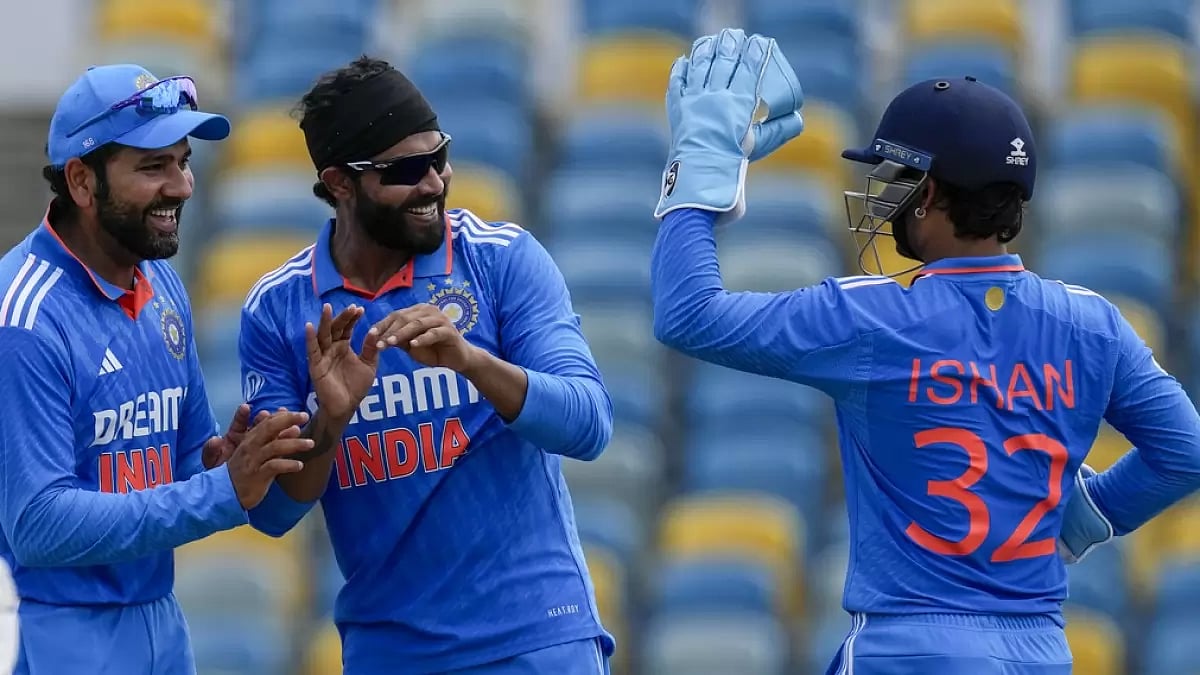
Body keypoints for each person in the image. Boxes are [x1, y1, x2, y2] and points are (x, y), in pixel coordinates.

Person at [650, 29, 1200, 674]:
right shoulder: (1094, 323)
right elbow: (1184, 452)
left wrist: (699, 171)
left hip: (908, 652)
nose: (883, 195)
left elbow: (688, 314)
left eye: (894, 176)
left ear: (931, 194)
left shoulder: (870, 316)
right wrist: (1083, 518)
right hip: (1041, 654)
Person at [238, 56, 616, 674]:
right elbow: (276, 514)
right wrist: (329, 423)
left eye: (439, 158)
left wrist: (471, 362)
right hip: (391, 653)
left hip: (535, 638)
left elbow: (589, 425)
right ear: (339, 183)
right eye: (407, 171)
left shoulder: (501, 261)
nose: (435, 183)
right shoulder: (278, 309)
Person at [0, 64, 315, 674]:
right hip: (55, 633)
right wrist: (218, 492)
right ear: (82, 181)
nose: (182, 186)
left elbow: (183, 462)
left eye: (183, 160)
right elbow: (38, 524)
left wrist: (223, 458)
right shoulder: (24, 317)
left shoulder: (161, 282)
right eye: (153, 167)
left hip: (160, 626)